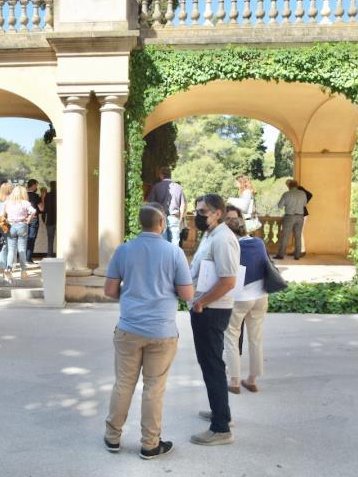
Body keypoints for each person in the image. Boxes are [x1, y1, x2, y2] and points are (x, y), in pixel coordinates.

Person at [103, 202, 194, 459]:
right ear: (162, 223)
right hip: (162, 331)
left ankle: (112, 437)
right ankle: (150, 444)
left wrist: (133, 294)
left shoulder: (124, 250)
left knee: (123, 384)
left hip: (129, 328)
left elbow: (110, 291)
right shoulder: (174, 253)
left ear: (140, 224)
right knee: (154, 388)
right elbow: (187, 293)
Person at [188, 193, 239, 446]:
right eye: (196, 210)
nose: (197, 215)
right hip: (205, 308)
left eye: (202, 211)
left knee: (212, 366)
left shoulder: (222, 239)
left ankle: (220, 429)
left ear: (217, 213)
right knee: (211, 363)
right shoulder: (211, 235)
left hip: (211, 310)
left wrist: (201, 302)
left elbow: (228, 281)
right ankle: (222, 413)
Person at [223, 205, 268, 394]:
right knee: (256, 338)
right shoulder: (259, 243)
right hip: (261, 295)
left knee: (232, 336)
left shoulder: (231, 246)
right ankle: (252, 379)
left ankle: (234, 380)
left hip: (240, 296)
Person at [147, 167, 187, 246]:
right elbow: (183, 205)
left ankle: (165, 258)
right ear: (170, 175)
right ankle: (173, 258)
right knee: (175, 242)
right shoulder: (178, 187)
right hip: (175, 217)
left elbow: (151, 204)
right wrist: (180, 218)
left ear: (161, 175)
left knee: (163, 242)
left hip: (160, 218)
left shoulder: (156, 187)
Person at [3, 186, 36, 282]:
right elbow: (33, 211)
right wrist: (29, 219)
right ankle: (23, 271)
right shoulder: (25, 203)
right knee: (22, 249)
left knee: (11, 250)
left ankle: (8, 270)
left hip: (11, 226)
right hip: (22, 225)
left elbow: (3, 214)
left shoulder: (8, 203)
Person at [274, 179, 308, 260]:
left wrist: (288, 204)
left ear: (289, 186)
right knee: (298, 236)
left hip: (289, 216)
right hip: (300, 217)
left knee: (285, 236)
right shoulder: (303, 193)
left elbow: (280, 206)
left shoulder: (286, 194)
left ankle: (281, 255)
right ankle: (297, 255)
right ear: (296, 185)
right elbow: (304, 204)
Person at [0, 182, 13, 281]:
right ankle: (8, 268)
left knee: (1, 245)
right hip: (9, 224)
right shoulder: (12, 200)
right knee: (10, 246)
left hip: (0, 224)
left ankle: (1, 266)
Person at [25, 179, 43, 264]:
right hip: (33, 218)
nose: (37, 187)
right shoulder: (36, 196)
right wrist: (42, 197)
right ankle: (28, 258)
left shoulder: (23, 196)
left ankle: (23, 257)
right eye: (36, 185)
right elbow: (41, 208)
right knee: (31, 238)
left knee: (23, 238)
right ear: (33, 185)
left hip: (23, 219)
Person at [298, 184, 313, 256]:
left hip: (302, 215)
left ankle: (302, 251)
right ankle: (298, 250)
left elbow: (310, 194)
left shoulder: (299, 189)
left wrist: (304, 202)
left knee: (299, 233)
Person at [44, 181, 57, 257]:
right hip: (60, 220)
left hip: (50, 220)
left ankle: (49, 254)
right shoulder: (61, 195)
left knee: (50, 239)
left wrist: (44, 220)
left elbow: (44, 209)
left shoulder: (48, 195)